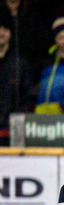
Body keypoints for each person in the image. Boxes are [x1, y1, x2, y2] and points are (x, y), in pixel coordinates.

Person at [0, 10, 33, 143]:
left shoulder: (20, 63)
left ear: (10, 33)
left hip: (12, 128)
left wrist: (18, 116)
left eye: (5, 29)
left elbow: (29, 94)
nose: (1, 33)